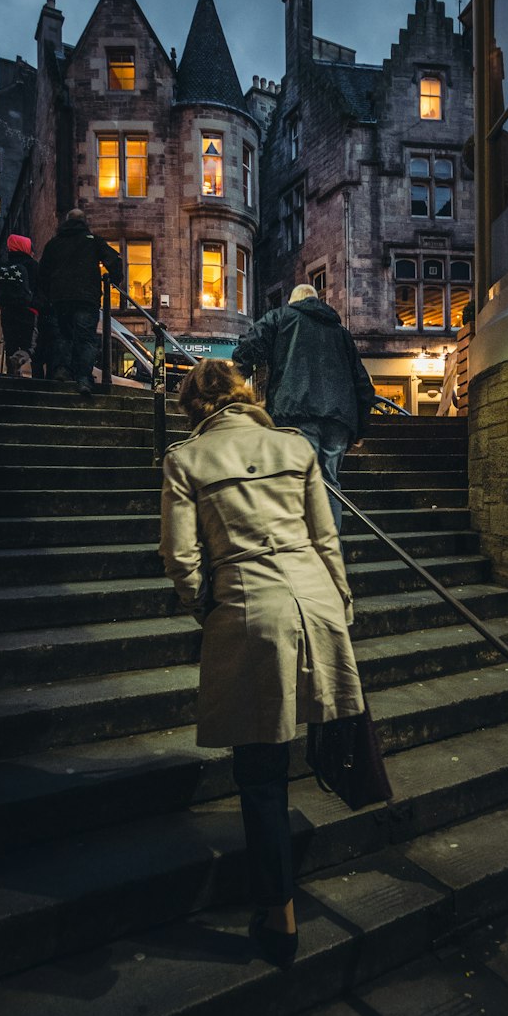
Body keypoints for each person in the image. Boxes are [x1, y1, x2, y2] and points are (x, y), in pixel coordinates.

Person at [159, 359, 365, 968]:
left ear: (194, 406)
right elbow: (326, 536)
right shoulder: (294, 445)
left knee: (260, 768)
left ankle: (279, 915)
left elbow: (179, 555)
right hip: (315, 594)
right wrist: (340, 604)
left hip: (249, 603)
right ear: (246, 395)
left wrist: (208, 606)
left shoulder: (184, 459)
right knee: (315, 727)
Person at [232, 284, 376, 531]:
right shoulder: (341, 333)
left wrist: (235, 380)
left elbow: (250, 346)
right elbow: (363, 384)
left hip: (294, 413)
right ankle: (330, 553)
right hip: (338, 422)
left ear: (294, 302)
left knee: (295, 481)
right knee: (328, 483)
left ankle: (301, 548)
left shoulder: (281, 317)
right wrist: (360, 430)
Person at [37, 207, 122, 398]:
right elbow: (114, 260)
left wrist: (50, 294)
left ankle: (61, 370)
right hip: (86, 297)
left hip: (61, 298)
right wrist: (115, 278)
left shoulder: (54, 244)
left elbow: (42, 273)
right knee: (86, 338)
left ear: (66, 221)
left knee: (63, 335)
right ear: (85, 222)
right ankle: (83, 378)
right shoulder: (92, 241)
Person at [0, 234, 39, 376]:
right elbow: (40, 288)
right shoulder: (32, 265)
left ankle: (12, 374)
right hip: (28, 311)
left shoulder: (3, 265)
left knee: (10, 344)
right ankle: (18, 360)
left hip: (6, 311)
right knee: (30, 346)